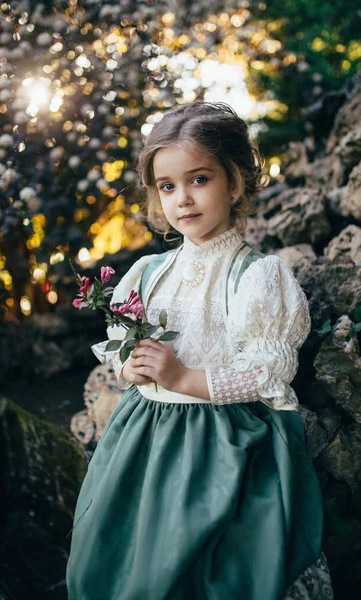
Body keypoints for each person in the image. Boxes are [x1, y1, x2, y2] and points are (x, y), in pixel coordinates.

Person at [66, 101, 334, 600]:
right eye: (167, 186)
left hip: (223, 443)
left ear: (234, 182)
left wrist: (184, 377)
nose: (182, 199)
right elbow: (123, 351)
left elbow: (268, 369)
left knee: (204, 573)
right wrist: (133, 365)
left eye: (199, 180)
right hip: (143, 437)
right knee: (113, 562)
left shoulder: (258, 276)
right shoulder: (147, 273)